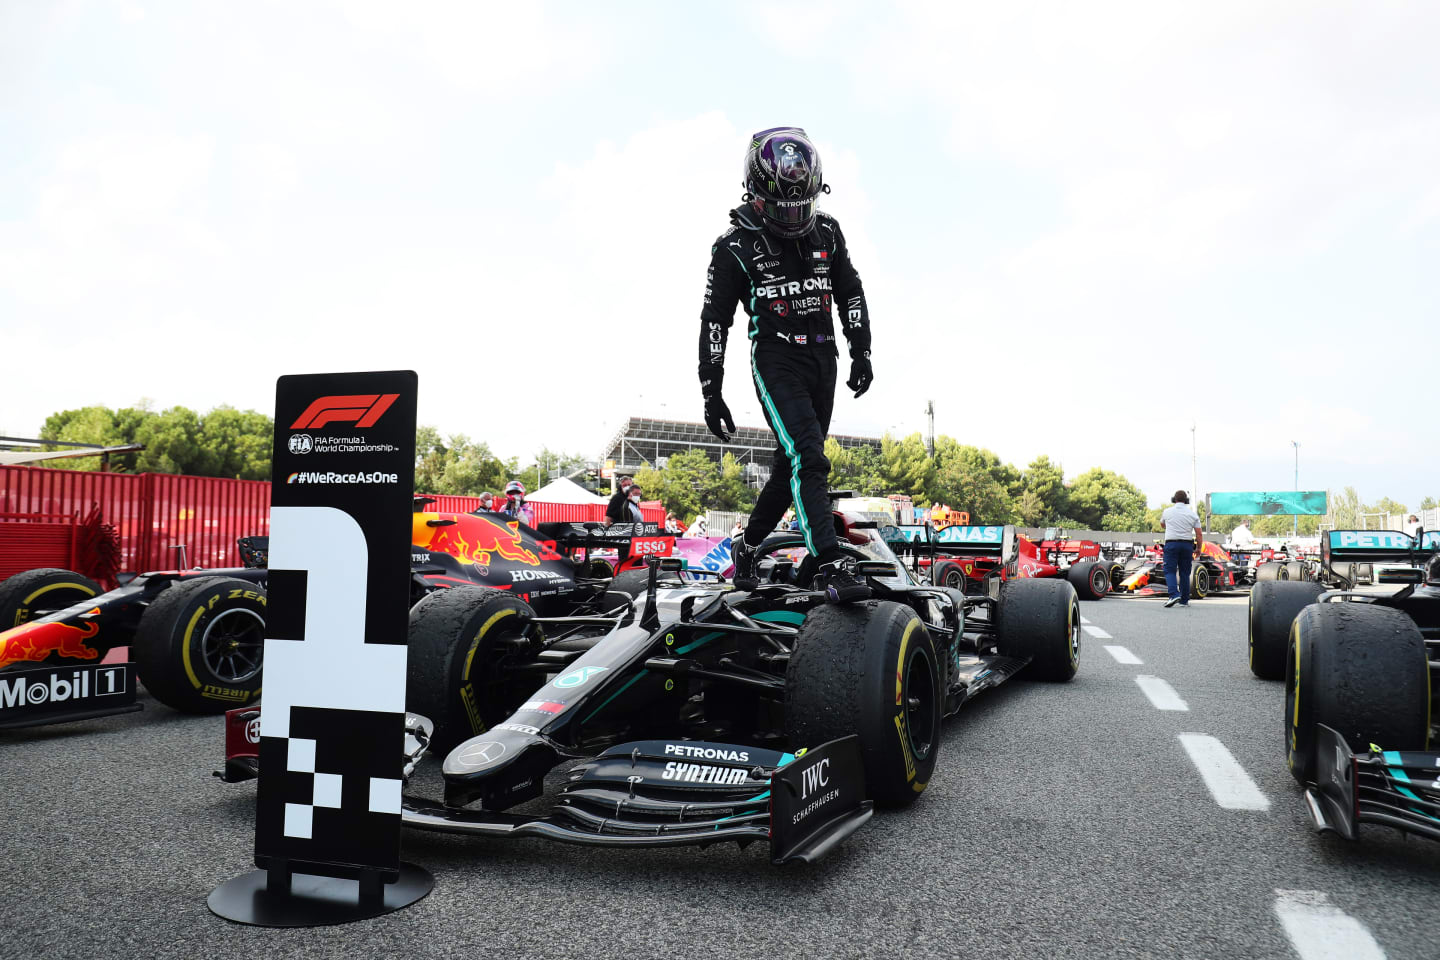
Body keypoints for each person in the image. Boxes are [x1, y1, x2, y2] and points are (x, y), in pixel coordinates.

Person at [698, 126, 873, 602]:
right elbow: (715, 322)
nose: (795, 216)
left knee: (788, 466)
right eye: (784, 207)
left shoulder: (830, 230)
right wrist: (711, 390)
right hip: (776, 360)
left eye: (803, 205)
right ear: (755, 196)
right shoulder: (732, 247)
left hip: (825, 356)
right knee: (810, 458)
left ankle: (748, 546)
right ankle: (829, 560)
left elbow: (850, 291)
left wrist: (862, 348)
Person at [1160, 490, 1204, 608]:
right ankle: (1184, 600)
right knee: (1185, 572)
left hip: (1171, 544)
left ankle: (1174, 594)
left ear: (1174, 499)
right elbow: (1199, 534)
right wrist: (1199, 548)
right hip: (1187, 545)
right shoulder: (1192, 514)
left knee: (1170, 570)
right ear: (1187, 501)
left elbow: (1162, 525)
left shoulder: (1167, 512)